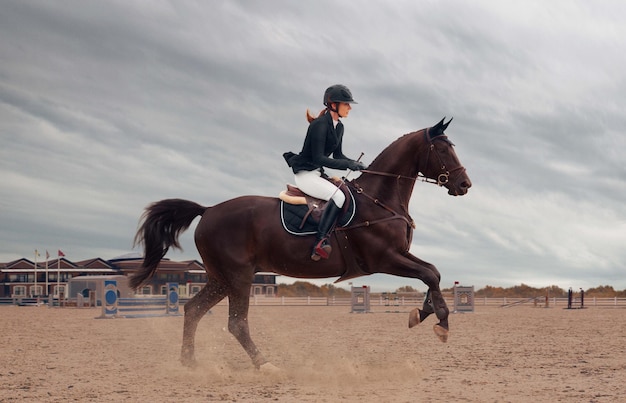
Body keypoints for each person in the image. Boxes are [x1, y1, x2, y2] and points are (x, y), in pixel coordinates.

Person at [283, 84, 367, 261]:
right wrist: (347, 164)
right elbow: (320, 158)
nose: (350, 107)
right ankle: (320, 240)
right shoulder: (319, 125)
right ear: (333, 104)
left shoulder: (339, 127)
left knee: (347, 192)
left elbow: (338, 155)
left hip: (317, 173)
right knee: (339, 197)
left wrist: (355, 163)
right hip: (305, 175)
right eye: (346, 104)